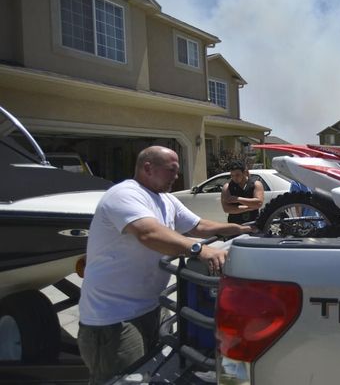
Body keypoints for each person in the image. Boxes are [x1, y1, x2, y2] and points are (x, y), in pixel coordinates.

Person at [77, 146, 252, 384]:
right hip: (114, 318)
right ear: (148, 168)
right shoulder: (124, 194)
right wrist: (198, 249)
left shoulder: (165, 199)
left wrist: (242, 229)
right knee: (125, 378)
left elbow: (197, 225)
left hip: (152, 308)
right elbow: (149, 233)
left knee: (153, 371)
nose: (177, 176)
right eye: (172, 170)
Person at [221, 159, 264, 224]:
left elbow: (258, 203)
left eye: (237, 175)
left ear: (244, 172)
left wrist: (237, 199)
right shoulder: (227, 187)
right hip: (234, 226)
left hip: (253, 224)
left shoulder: (256, 184)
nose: (235, 178)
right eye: (232, 175)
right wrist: (249, 207)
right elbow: (226, 209)